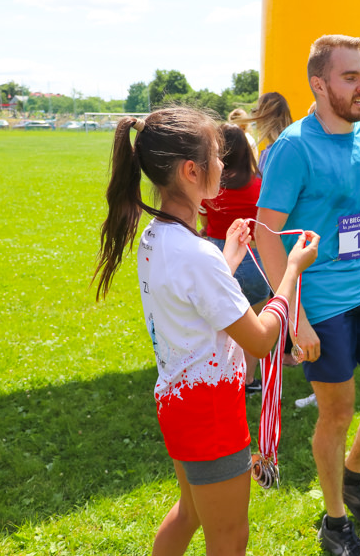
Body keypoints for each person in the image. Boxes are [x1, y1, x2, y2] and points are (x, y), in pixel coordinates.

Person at [93, 107, 319, 556]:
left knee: (190, 513)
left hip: (179, 400)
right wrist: (290, 272)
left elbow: (195, 300)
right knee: (230, 536)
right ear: (192, 170)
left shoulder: (158, 236)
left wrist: (228, 258)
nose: (225, 167)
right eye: (218, 158)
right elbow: (261, 338)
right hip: (211, 411)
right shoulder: (197, 254)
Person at [255, 34, 360, 556]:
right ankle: (334, 523)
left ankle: (353, 477)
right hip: (321, 303)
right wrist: (294, 316)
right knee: (337, 411)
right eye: (351, 76)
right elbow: (266, 234)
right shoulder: (292, 148)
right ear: (319, 83)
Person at [199, 123, 272, 394]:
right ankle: (248, 381)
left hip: (217, 256)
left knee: (216, 326)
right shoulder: (259, 185)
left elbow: (203, 221)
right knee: (254, 328)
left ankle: (215, 378)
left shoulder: (209, 187)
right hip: (252, 257)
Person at [239, 92, 293, 173]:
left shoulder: (272, 154)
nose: (254, 114)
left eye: (256, 110)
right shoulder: (291, 148)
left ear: (265, 117)